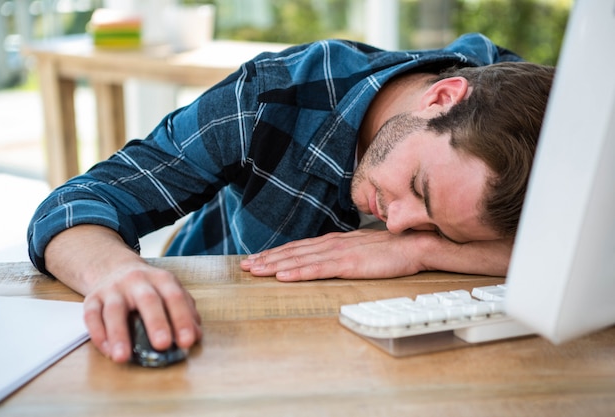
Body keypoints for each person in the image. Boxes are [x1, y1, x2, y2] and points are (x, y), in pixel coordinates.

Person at [28, 33, 554, 363]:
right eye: (418, 189)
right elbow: (79, 202)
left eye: (438, 228)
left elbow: (595, 253)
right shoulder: (271, 95)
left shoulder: (534, 122)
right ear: (441, 97)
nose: (398, 223)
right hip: (225, 342)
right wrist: (117, 273)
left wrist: (421, 252)